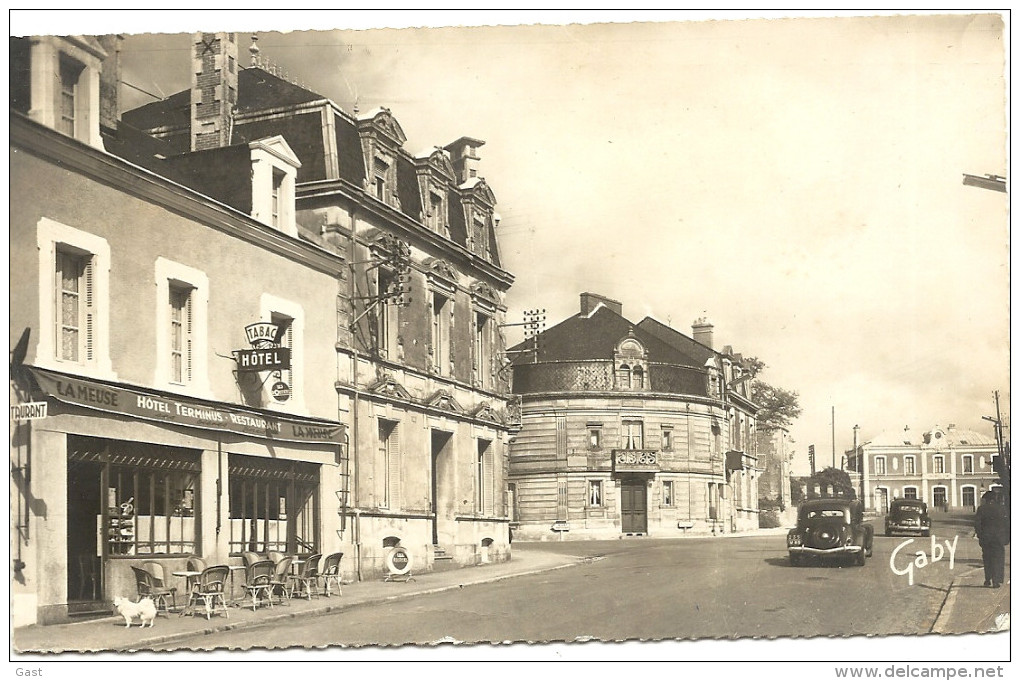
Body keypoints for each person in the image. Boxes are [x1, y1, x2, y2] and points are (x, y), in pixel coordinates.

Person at [973, 491, 1010, 588]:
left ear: (987, 500)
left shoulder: (982, 509)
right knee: (998, 559)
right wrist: (1007, 537)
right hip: (999, 538)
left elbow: (977, 523)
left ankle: (988, 579)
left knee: (987, 558)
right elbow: (1007, 524)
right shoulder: (1002, 509)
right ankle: (996, 580)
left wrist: (980, 535)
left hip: (986, 538)